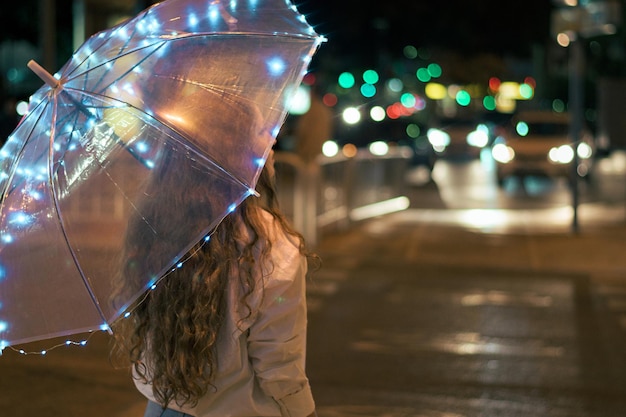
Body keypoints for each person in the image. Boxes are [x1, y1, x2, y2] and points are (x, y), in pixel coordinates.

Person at [110, 95, 319, 417]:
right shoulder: (272, 245)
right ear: (243, 155)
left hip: (162, 407)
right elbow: (278, 364)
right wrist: (303, 411)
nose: (273, 142)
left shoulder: (154, 225)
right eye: (263, 134)